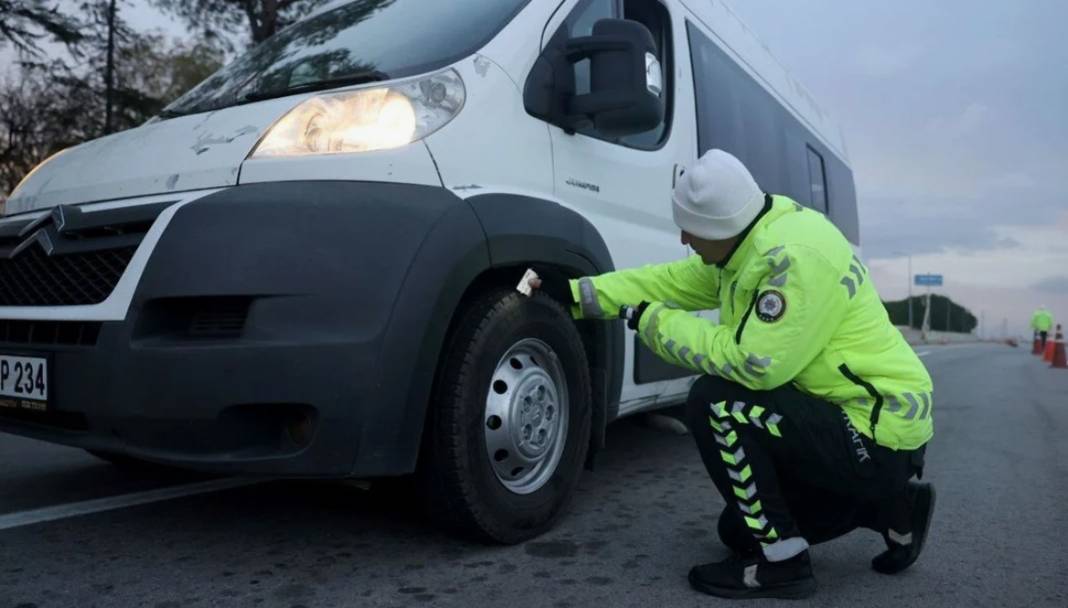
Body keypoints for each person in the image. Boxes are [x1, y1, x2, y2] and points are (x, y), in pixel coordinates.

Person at [532, 150, 935, 599]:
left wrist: (651, 322)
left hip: (874, 432)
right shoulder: (749, 241)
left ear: (720, 228)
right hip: (849, 422)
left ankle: (785, 566)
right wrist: (577, 293)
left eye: (691, 229)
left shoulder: (792, 260)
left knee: (716, 401)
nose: (684, 239)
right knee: (738, 531)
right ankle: (892, 506)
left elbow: (755, 365)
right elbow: (668, 281)